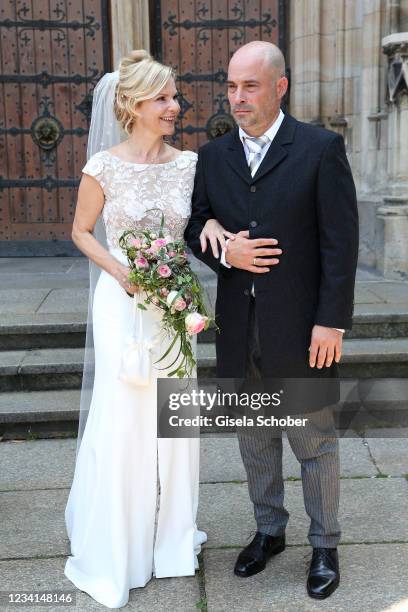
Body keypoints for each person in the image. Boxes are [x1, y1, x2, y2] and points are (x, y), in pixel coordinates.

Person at [185, 41, 359, 600]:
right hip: (238, 326)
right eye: (232, 87)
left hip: (304, 328)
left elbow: (340, 244)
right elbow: (197, 227)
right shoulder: (212, 158)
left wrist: (331, 321)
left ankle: (324, 543)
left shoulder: (319, 148)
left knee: (314, 442)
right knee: (254, 439)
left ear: (280, 86)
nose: (237, 98)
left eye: (250, 86)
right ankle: (268, 531)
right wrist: (222, 251)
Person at [64, 50, 224, 609]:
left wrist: (223, 238)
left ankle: (173, 538)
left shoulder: (188, 164)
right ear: (131, 106)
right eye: (163, 98)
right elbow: (82, 231)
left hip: (175, 306)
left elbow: (201, 222)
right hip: (123, 304)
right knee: (128, 416)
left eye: (174, 96)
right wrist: (120, 270)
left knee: (175, 421)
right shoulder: (102, 167)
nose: (175, 107)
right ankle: (120, 544)